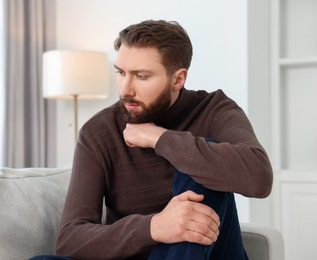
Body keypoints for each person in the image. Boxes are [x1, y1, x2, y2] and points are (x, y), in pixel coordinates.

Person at [54, 20, 273, 259]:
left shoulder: (215, 111)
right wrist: (154, 227)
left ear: (178, 79)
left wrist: (160, 138)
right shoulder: (99, 131)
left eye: (141, 76)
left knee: (207, 153)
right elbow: (70, 239)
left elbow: (259, 178)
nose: (125, 88)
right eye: (121, 73)